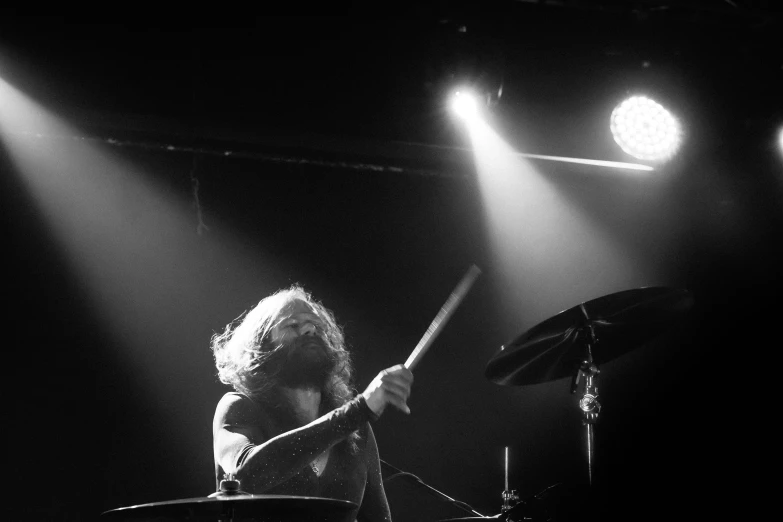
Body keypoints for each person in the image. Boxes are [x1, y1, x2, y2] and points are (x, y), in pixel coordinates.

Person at [211, 285, 413, 522]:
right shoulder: (239, 407)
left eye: (317, 326)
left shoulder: (357, 428)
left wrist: (356, 416)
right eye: (292, 325)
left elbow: (377, 517)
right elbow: (244, 477)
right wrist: (358, 411)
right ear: (260, 346)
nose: (309, 329)